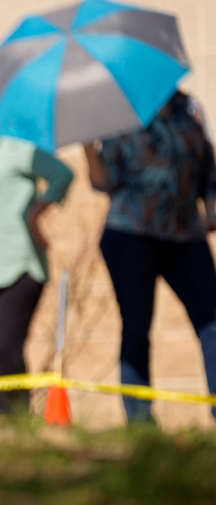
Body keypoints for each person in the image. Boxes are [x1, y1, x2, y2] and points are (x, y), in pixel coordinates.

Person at [84, 90, 216, 423]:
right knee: (137, 326)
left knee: (213, 323)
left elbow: (207, 165)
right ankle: (140, 421)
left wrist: (212, 208)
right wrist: (88, 147)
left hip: (185, 234)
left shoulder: (189, 109)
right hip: (130, 234)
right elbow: (104, 182)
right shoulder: (121, 114)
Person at [0, 96, 73, 419]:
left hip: (16, 266)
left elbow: (62, 174)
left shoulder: (19, 147)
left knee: (4, 350)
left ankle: (15, 422)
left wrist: (36, 214)